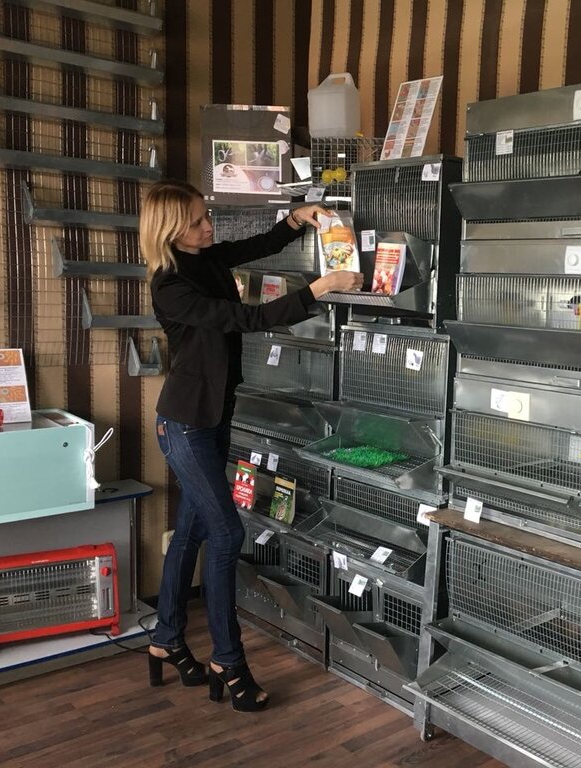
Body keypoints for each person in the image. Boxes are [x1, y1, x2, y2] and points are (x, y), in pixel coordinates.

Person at [140, 180, 362, 712]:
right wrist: (319, 288)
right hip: (185, 425)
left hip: (212, 417)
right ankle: (229, 661)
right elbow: (246, 319)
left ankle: (167, 638)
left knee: (192, 531)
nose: (209, 226)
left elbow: (257, 245)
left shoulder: (206, 258)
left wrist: (296, 219)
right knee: (225, 533)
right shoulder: (170, 284)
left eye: (206, 216)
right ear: (171, 230)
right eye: (198, 221)